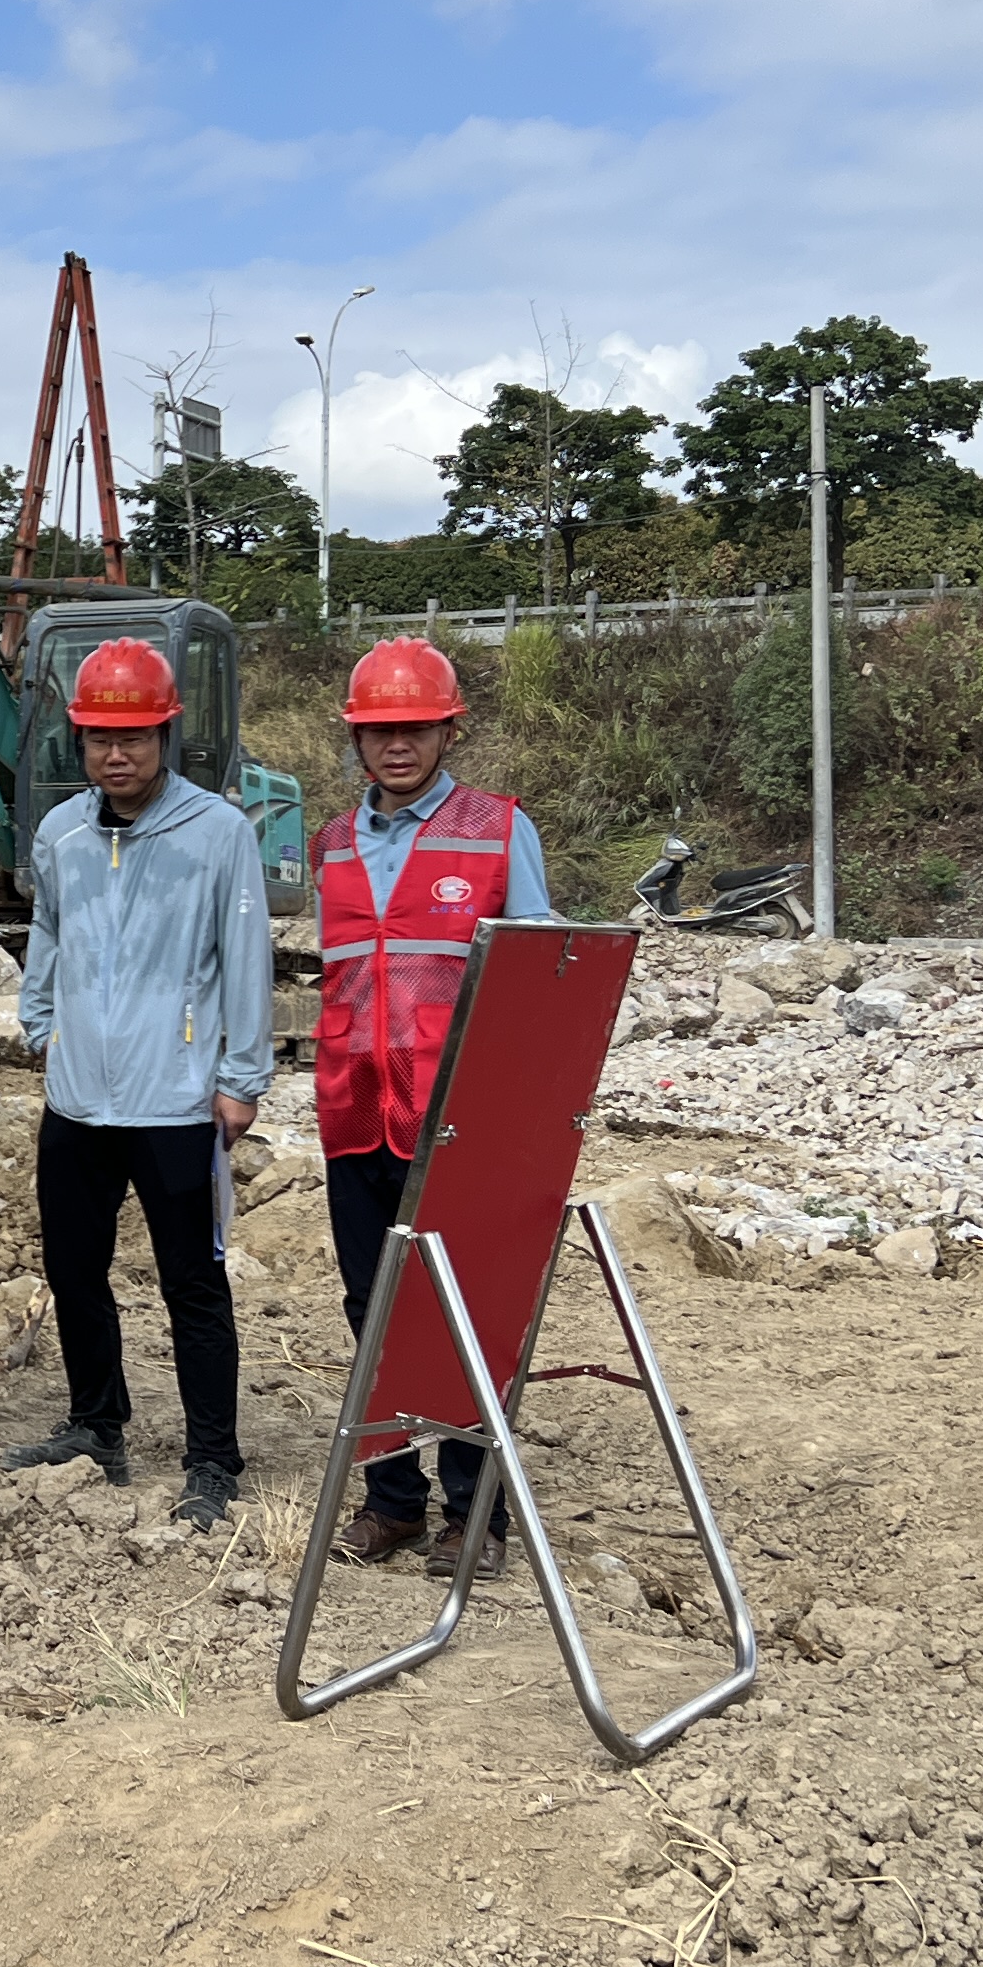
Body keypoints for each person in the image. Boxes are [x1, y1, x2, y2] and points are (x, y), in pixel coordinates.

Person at [3, 640, 275, 1529]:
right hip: (78, 1100)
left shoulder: (218, 834)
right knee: (73, 1268)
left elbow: (246, 958)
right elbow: (48, 932)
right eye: (99, 739)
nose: (116, 755)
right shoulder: (62, 834)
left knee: (192, 1284)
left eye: (134, 738)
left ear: (166, 735)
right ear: (78, 741)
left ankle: (212, 1457)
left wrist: (241, 1077)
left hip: (175, 1100)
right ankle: (96, 1424)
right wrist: (42, 1024)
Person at [310, 639, 554, 1578]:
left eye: (415, 727)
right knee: (370, 1307)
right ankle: (392, 1502)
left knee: (466, 1315)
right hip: (355, 1110)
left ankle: (474, 1513)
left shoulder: (498, 830)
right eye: (379, 731)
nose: (397, 745)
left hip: (455, 1121)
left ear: (449, 730)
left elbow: (538, 978)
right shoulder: (334, 843)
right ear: (357, 740)